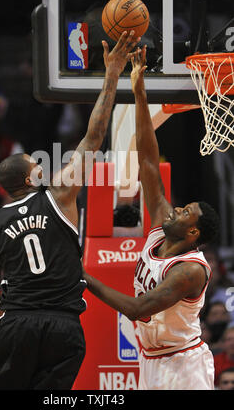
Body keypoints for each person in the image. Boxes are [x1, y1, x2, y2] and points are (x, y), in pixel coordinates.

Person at [0, 31, 140, 390]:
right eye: (36, 163)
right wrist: (112, 72)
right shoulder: (60, 194)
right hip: (64, 327)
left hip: (18, 323)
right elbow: (94, 135)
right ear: (32, 176)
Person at [82, 46, 220, 390]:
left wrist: (82, 275)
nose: (176, 209)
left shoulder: (189, 270)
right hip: (151, 357)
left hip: (184, 364)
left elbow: (138, 308)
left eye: (185, 212)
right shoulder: (161, 229)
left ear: (192, 232)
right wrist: (139, 89)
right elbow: (147, 160)